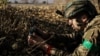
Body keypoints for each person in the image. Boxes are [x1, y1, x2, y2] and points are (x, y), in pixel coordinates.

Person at [28, 0, 100, 56]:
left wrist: (45, 47)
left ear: (83, 18)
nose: (69, 23)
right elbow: (74, 37)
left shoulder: (93, 34)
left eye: (71, 19)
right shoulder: (92, 24)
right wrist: (47, 36)